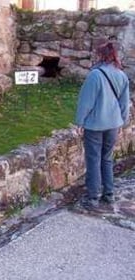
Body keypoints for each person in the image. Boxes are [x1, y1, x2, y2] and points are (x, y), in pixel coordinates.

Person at [75, 41, 130, 210]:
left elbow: (86, 102)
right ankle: (109, 194)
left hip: (95, 125)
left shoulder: (95, 75)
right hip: (113, 124)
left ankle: (92, 197)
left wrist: (79, 121)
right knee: (107, 159)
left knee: (93, 160)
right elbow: (124, 103)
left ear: (101, 55)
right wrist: (123, 121)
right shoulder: (121, 75)